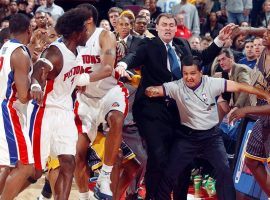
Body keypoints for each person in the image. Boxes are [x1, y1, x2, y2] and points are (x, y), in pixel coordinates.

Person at [115, 13, 236, 199]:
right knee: (159, 155)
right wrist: (123, 64)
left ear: (175, 27)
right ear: (157, 27)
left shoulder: (182, 45)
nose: (168, 28)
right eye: (164, 25)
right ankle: (153, 196)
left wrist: (219, 40)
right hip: (152, 110)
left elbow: (202, 57)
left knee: (183, 161)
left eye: (172, 25)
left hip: (178, 111)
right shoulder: (149, 44)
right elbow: (134, 55)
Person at [145, 55, 270, 199]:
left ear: (201, 73)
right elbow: (156, 90)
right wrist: (149, 89)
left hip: (211, 138)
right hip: (187, 137)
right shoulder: (176, 86)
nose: (188, 77)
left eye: (192, 73)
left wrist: (265, 94)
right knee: (169, 173)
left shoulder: (212, 83)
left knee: (224, 172)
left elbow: (240, 86)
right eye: (185, 74)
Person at [28, 8, 90, 200]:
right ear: (77, 32)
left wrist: (81, 83)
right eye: (85, 30)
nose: (88, 33)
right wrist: (36, 85)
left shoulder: (78, 52)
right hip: (45, 112)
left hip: (65, 113)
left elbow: (75, 77)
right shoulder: (56, 50)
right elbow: (39, 68)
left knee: (68, 162)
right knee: (33, 171)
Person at [73, 3, 128, 200]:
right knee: (78, 154)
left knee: (116, 119)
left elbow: (106, 68)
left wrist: (83, 78)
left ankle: (104, 177)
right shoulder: (73, 38)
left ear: (88, 20)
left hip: (109, 92)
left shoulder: (105, 36)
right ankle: (83, 196)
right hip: (86, 100)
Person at [229, 27, 270, 196]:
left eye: (269, 34)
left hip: (265, 112)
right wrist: (248, 30)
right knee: (251, 160)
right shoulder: (266, 49)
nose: (265, 35)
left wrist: (245, 110)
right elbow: (263, 31)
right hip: (264, 116)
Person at [0, 13, 34, 200]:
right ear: (29, 29)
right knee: (26, 166)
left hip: (4, 107)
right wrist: (40, 86)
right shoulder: (20, 53)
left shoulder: (6, 47)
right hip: (9, 111)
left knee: (9, 165)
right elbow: (23, 96)